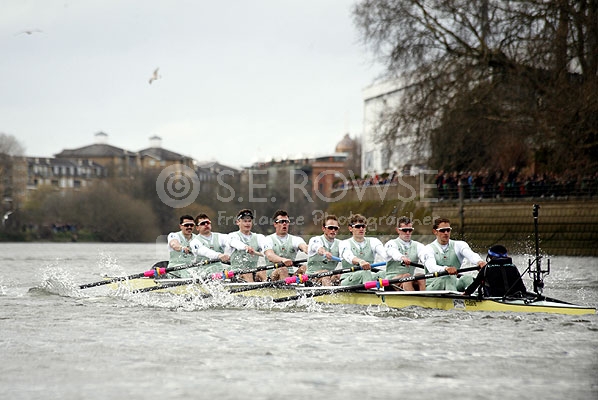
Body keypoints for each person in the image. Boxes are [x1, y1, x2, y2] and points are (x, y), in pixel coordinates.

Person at [421, 217, 486, 291]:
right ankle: (454, 297)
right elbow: (431, 267)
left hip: (452, 283)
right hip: (432, 287)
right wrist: (446, 268)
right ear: (435, 231)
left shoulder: (459, 245)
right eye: (442, 230)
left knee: (467, 278)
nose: (446, 233)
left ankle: (477, 296)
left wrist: (479, 262)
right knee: (448, 277)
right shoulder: (428, 249)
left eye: (448, 230)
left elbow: (471, 255)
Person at [258, 210, 309, 282]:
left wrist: (310, 250)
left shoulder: (295, 239)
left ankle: (297, 284)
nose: (284, 224)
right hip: (273, 275)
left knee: (304, 268)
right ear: (275, 224)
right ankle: (288, 287)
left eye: (287, 222)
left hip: (291, 275)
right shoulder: (268, 239)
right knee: (283, 269)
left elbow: (304, 247)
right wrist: (283, 260)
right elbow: (270, 255)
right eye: (281, 222)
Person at [338, 214, 387, 286]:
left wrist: (398, 258)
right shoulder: (344, 243)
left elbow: (385, 253)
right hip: (348, 279)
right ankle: (371, 291)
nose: (361, 229)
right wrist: (360, 261)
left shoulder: (374, 241)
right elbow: (349, 256)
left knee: (386, 273)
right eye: (358, 226)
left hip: (368, 275)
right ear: (350, 228)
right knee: (365, 272)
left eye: (363, 226)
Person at [463, 245, 528, 297]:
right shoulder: (513, 267)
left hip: (493, 299)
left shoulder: (486, 268)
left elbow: (475, 285)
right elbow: (522, 288)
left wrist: (465, 294)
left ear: (490, 256)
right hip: (514, 298)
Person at [384, 217, 426, 291]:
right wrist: (402, 257)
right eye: (405, 230)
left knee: (420, 276)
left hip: (409, 280)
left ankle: (425, 296)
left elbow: (424, 255)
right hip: (391, 281)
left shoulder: (418, 246)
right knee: (407, 276)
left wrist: (427, 262)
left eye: (410, 230)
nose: (408, 233)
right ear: (398, 230)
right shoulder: (391, 243)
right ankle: (410, 296)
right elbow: (393, 252)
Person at [227, 209, 268, 282]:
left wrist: (266, 253)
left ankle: (269, 287)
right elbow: (235, 243)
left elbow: (267, 250)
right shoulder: (232, 235)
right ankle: (253, 289)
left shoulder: (259, 237)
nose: (247, 223)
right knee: (247, 273)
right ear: (238, 222)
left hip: (253, 271)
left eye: (249, 221)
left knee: (263, 271)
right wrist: (246, 247)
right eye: (245, 221)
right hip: (236, 273)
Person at [306, 214, 341, 286]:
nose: (333, 230)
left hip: (330, 276)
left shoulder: (341, 243)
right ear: (323, 228)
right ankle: (330, 292)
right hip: (311, 277)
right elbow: (318, 248)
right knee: (325, 274)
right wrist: (324, 252)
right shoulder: (315, 239)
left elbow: (348, 254)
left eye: (335, 228)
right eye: (330, 228)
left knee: (340, 275)